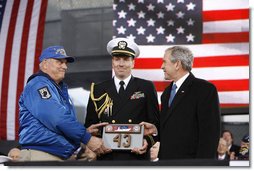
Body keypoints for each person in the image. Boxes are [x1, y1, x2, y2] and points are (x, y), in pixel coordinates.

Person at [18, 46, 108, 161]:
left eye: (65, 63)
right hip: (41, 153)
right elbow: (56, 118)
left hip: (52, 154)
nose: (65, 67)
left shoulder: (55, 88)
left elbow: (55, 124)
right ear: (45, 64)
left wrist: (83, 132)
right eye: (59, 62)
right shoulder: (39, 85)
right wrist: (86, 138)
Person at [85, 37, 160, 160]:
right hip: (107, 157)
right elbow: (89, 124)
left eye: (125, 59)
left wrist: (147, 141)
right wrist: (94, 139)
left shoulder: (146, 87)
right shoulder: (98, 89)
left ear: (133, 63)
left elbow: (155, 124)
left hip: (137, 157)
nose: (121, 64)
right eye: (117, 59)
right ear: (112, 62)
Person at [141, 46, 221, 160]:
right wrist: (155, 129)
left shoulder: (204, 90)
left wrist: (203, 166)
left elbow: (210, 134)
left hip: (191, 163)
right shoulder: (167, 93)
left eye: (164, 62)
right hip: (167, 162)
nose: (162, 66)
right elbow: (171, 127)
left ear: (177, 64)